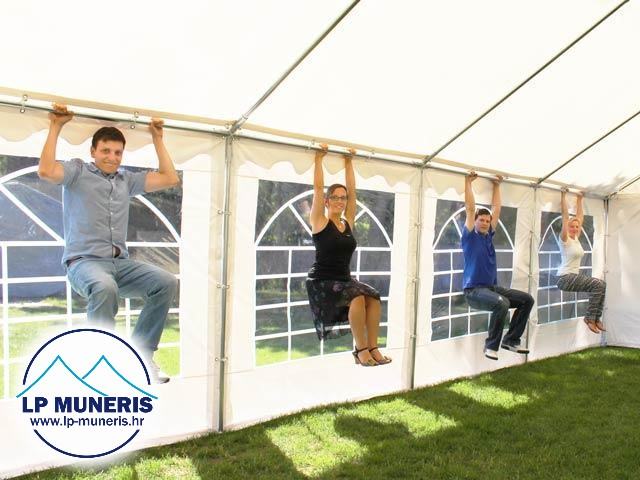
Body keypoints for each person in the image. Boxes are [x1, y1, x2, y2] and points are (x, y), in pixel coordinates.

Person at [38, 103, 180, 383]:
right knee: (105, 287)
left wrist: (157, 138)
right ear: (93, 151)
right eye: (106, 151)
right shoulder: (78, 172)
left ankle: (142, 357)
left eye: (117, 152)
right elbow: (46, 171)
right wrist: (56, 126)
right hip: (84, 263)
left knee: (166, 282)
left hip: (119, 264)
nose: (112, 157)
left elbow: (170, 177)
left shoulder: (127, 180)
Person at [306, 144, 391, 366]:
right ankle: (360, 351)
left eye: (342, 198)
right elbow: (318, 188)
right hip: (323, 279)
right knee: (357, 297)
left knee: (374, 297)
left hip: (344, 279)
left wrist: (349, 162)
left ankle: (372, 347)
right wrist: (319, 158)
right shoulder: (319, 221)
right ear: (326, 201)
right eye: (334, 197)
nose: (340, 201)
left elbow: (353, 192)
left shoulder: (348, 222)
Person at [462, 172, 534, 360]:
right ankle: (491, 346)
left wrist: (496, 185)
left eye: (487, 221)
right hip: (474, 291)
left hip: (492, 288)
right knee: (502, 303)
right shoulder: (470, 237)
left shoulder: (488, 236)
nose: (485, 223)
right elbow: (470, 208)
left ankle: (511, 340)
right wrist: (468, 182)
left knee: (527, 300)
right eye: (482, 220)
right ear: (475, 221)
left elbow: (497, 209)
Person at [556, 189, 606, 333]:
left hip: (572, 277)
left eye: (577, 227)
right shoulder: (565, 239)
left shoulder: (576, 239)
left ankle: (595, 318)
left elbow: (579, 216)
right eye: (572, 226)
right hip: (564, 278)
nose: (575, 228)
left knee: (602, 285)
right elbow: (565, 217)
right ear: (567, 227)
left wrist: (579, 199)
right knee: (597, 284)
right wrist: (563, 196)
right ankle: (590, 318)